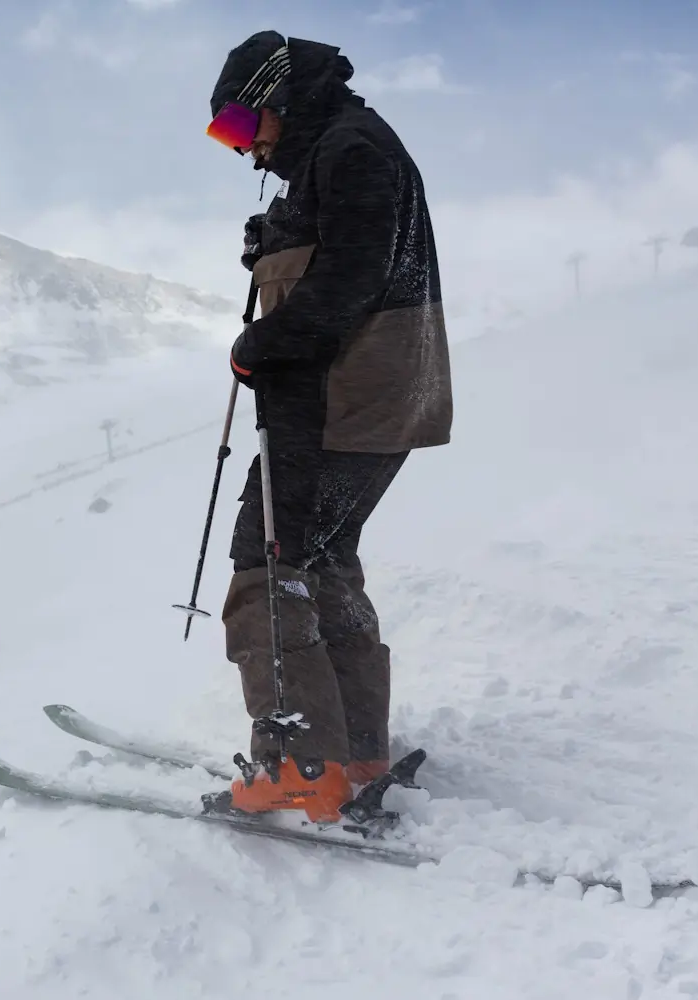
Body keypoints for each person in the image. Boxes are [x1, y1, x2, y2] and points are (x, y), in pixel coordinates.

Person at [204, 31, 454, 822]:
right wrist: (275, 240)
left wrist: (260, 342)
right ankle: (355, 749)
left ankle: (303, 766)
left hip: (341, 399)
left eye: (243, 127)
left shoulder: (349, 150)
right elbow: (342, 252)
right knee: (324, 559)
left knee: (267, 563)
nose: (246, 149)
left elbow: (350, 278)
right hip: (374, 397)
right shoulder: (345, 149)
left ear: (277, 97)